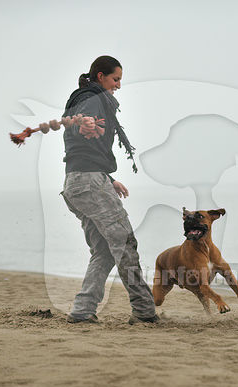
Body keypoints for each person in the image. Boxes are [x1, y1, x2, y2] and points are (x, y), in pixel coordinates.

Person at [60, 55, 158, 324]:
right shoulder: (92, 100)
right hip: (89, 182)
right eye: (116, 79)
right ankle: (144, 311)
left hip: (76, 182)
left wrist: (107, 178)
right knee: (125, 243)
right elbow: (80, 131)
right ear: (101, 76)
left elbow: (79, 145)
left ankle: (82, 311)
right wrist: (86, 124)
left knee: (104, 251)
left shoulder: (84, 97)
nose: (118, 85)